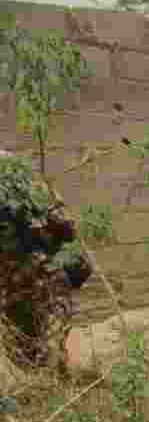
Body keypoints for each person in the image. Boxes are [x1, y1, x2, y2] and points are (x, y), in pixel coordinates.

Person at [0, 152, 91, 374]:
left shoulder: (18, 176)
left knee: (42, 356)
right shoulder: (18, 173)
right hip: (20, 286)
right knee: (29, 355)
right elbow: (68, 228)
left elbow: (67, 228)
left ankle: (53, 383)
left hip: (38, 281)